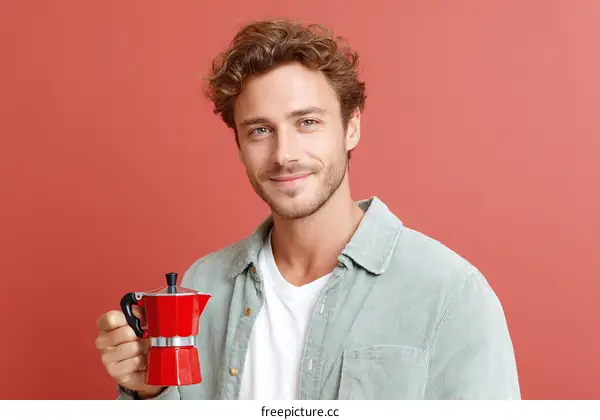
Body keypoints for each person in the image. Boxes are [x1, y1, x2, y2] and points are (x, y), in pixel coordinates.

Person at [95, 19, 521, 400]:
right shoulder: (203, 285)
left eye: (307, 122)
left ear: (351, 126)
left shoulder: (451, 294)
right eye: (261, 130)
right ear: (240, 145)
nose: (285, 154)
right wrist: (150, 393)